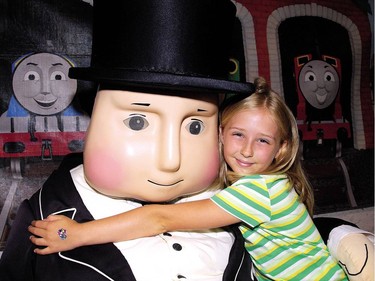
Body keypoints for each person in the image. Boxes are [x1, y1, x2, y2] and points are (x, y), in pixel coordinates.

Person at [0, 0, 256, 280]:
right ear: (95, 115)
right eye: (138, 122)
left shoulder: (239, 206)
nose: (170, 160)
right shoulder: (43, 214)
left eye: (195, 126)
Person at [29, 77, 349, 281]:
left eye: (263, 141)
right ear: (220, 135)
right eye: (239, 135)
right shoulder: (258, 185)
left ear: (281, 150)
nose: (248, 150)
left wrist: (76, 234)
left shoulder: (259, 191)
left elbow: (160, 218)